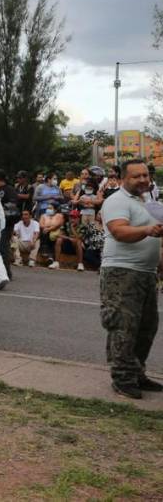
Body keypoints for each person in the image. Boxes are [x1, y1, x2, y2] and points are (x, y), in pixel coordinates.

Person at [99, 159, 163, 398]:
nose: (143, 180)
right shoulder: (116, 201)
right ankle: (122, 378)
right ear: (123, 178)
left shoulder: (148, 202)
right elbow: (119, 231)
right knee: (124, 325)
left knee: (147, 327)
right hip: (121, 272)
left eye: (145, 175)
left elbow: (157, 241)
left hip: (147, 273)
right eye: (137, 176)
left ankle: (136, 373)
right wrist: (147, 230)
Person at [0, 169, 19, 279]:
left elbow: (13, 205)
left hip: (6, 223)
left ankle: (6, 273)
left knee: (3, 247)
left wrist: (1, 209)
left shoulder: (9, 189)